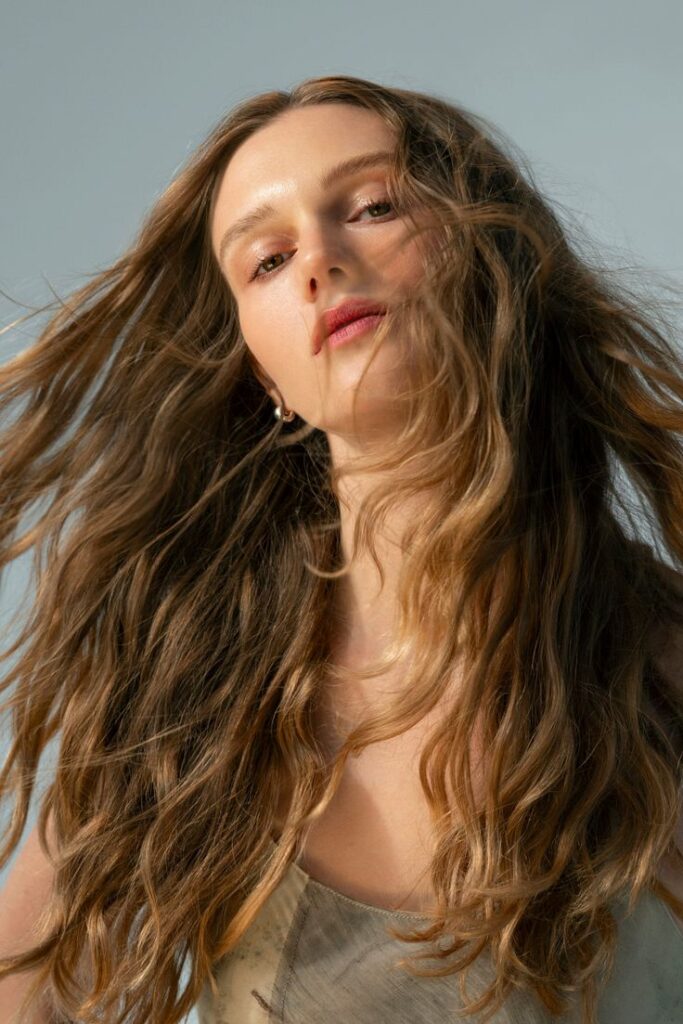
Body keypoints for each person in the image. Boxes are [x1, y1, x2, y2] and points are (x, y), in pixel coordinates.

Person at [0, 74, 682, 1024]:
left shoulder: (663, 670)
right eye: (267, 261)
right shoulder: (182, 715)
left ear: (489, 246)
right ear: (262, 374)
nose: (319, 261)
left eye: (370, 206)